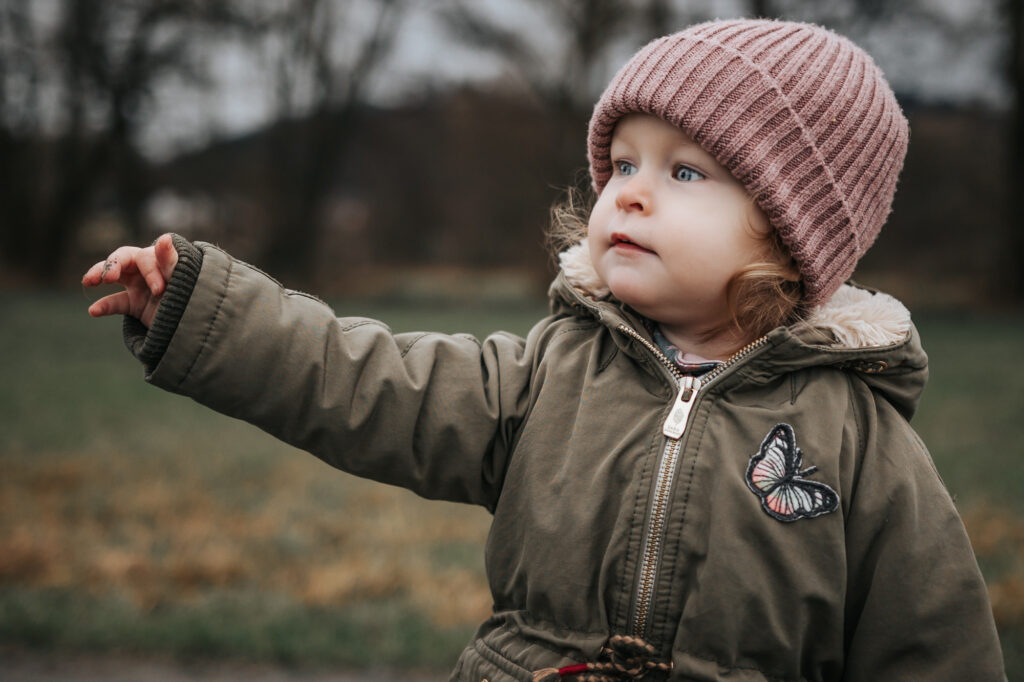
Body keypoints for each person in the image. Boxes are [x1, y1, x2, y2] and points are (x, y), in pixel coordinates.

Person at [83, 18, 1006, 681]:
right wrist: (204, 308)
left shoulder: (862, 444)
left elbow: (936, 647)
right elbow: (361, 381)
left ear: (792, 234)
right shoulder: (545, 376)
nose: (631, 194)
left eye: (686, 173)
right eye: (626, 163)